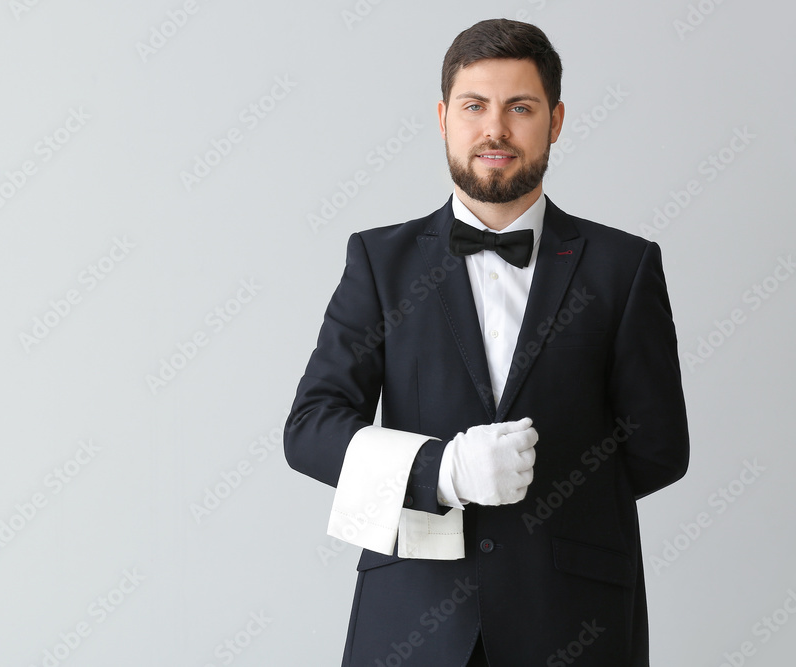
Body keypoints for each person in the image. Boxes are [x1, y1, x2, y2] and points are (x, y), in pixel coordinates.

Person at [284, 18, 689, 667]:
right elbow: (310, 428)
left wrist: (552, 500)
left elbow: (659, 448)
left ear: (554, 120)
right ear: (444, 116)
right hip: (411, 621)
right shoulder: (377, 261)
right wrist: (443, 471)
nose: (494, 129)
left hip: (573, 620)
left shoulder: (624, 266)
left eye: (519, 108)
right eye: (474, 106)